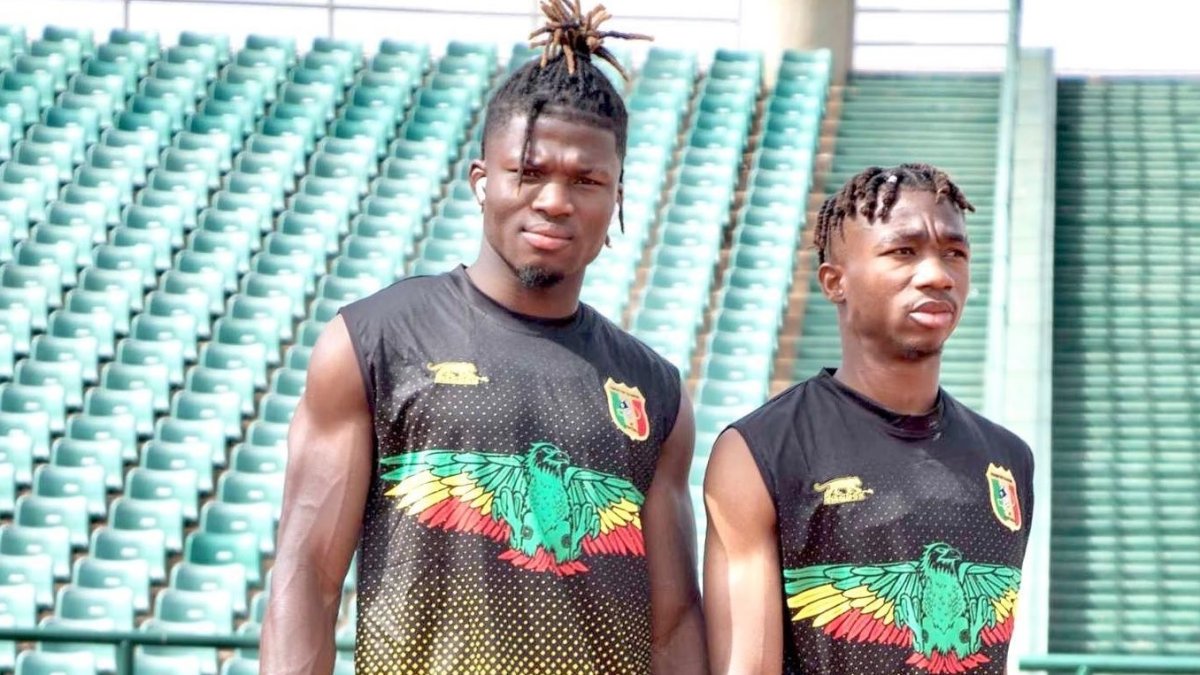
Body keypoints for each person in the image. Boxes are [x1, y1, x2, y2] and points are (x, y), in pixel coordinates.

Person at [261, 3, 707, 674]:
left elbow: (672, 625)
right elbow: (308, 579)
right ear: (482, 181)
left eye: (586, 181)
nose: (556, 200)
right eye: (530, 172)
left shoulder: (654, 390)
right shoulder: (375, 341)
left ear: (617, 199)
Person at [703, 164, 1034, 675]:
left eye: (955, 253)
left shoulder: (1008, 461)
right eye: (903, 252)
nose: (938, 275)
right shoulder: (762, 450)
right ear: (836, 282)